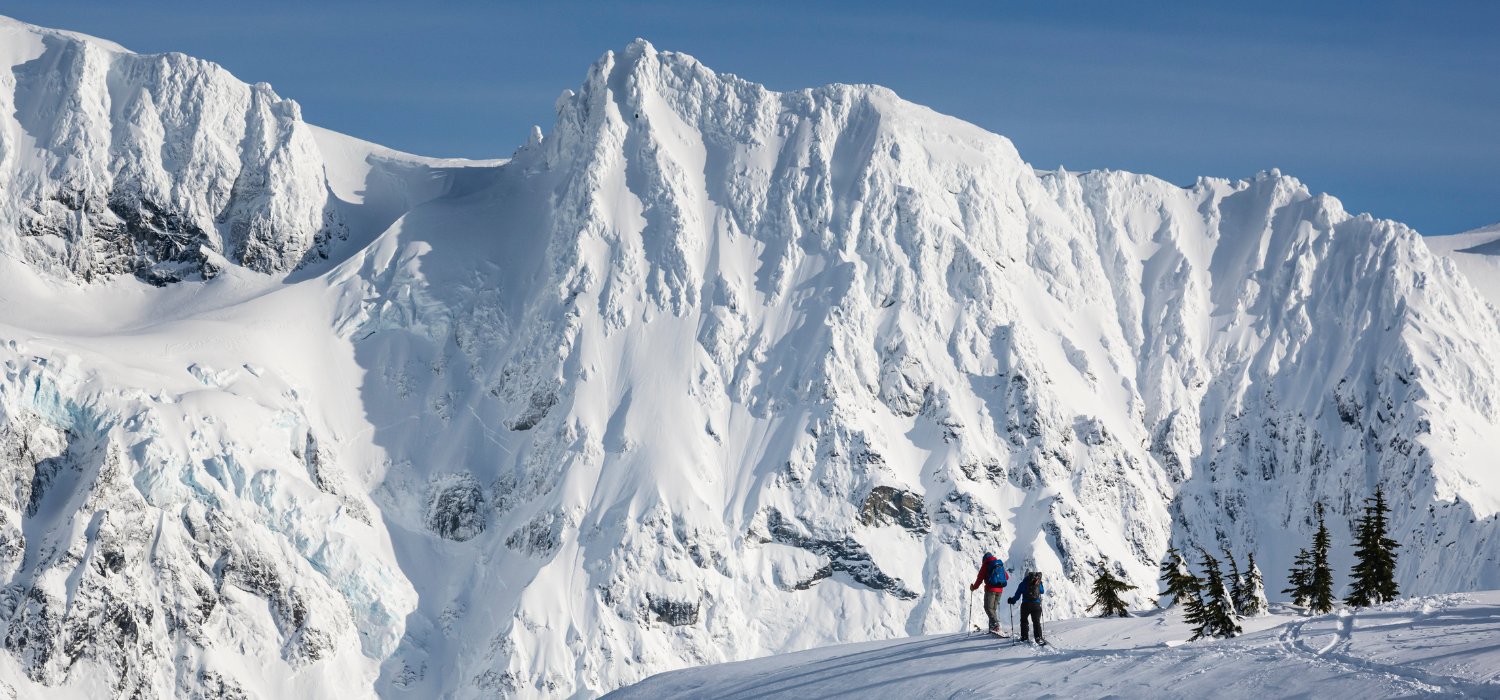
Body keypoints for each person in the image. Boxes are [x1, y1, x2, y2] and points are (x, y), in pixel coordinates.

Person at [969, 552, 1008, 633]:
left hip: (990, 590)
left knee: (988, 608)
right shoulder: (999, 564)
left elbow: (980, 578)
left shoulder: (986, 564)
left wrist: (974, 587)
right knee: (993, 609)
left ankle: (995, 625)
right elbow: (1006, 577)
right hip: (1000, 590)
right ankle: (992, 628)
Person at [1008, 571, 1046, 644]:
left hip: (1026, 605)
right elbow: (1042, 591)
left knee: (1024, 621)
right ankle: (1038, 637)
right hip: (1036, 605)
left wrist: (1012, 600)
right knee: (1036, 621)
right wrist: (1040, 583)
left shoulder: (1023, 584)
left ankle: (1024, 637)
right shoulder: (1038, 583)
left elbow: (1017, 596)